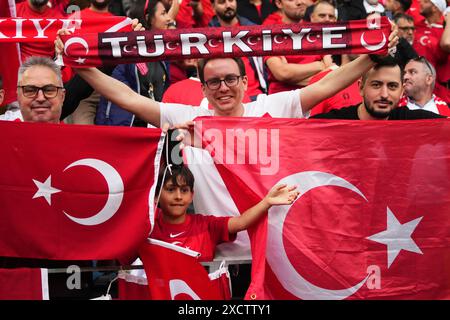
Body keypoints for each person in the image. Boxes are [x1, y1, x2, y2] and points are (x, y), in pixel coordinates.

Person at [56, 27, 398, 258]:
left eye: (230, 79)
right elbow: (128, 99)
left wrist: (373, 54)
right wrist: (79, 63)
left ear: (246, 82)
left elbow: (328, 84)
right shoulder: (190, 117)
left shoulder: (271, 107)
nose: (223, 87)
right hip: (220, 255)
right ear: (202, 88)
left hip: (280, 254)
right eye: (214, 81)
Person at [151, 164, 299, 261]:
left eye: (184, 190)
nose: (178, 196)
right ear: (156, 196)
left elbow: (241, 222)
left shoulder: (206, 225)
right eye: (170, 190)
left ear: (192, 195)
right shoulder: (147, 229)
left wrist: (267, 202)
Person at [311, 58, 446, 120]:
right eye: (376, 85)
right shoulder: (335, 123)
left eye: (392, 86)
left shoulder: (412, 122)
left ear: (402, 91)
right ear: (361, 88)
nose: (384, 94)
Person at [209, 0, 267, 99]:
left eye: (231, 0)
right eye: (222, 2)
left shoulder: (253, 29)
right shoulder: (208, 35)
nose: (228, 5)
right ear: (213, 7)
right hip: (225, 97)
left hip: (255, 95)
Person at [16, 56, 65, 124]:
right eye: (30, 90)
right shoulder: (4, 133)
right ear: (18, 96)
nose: (40, 98)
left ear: (62, 96)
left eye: (49, 90)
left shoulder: (77, 134)